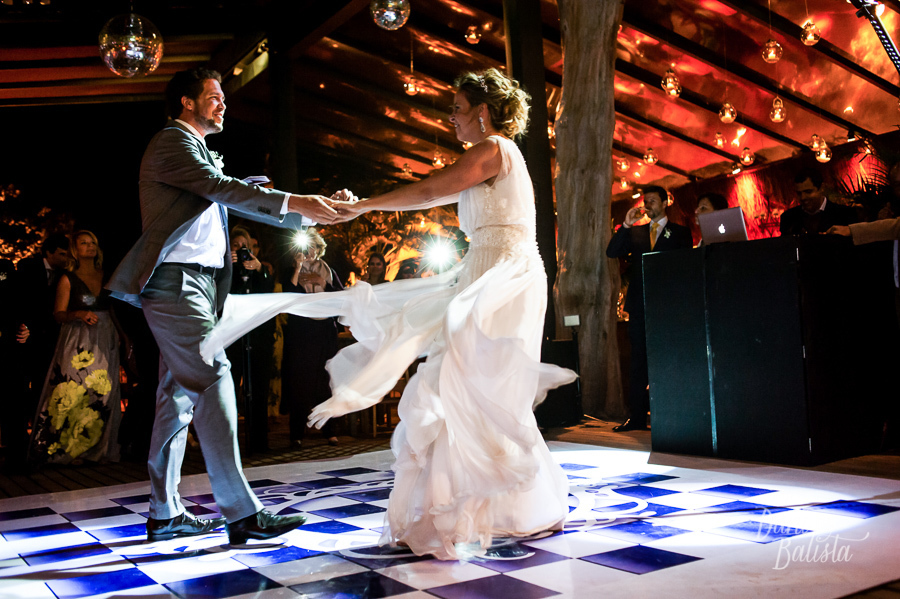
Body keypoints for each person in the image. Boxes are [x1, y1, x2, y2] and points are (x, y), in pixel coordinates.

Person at [201, 67, 577, 560]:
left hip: (503, 277)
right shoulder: (484, 158)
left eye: (458, 110)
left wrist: (363, 208)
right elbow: (433, 193)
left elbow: (425, 193)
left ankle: (508, 502)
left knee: (476, 383)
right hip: (482, 271)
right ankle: (480, 506)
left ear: (483, 113)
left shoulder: (495, 149)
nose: (452, 118)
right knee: (464, 384)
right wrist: (365, 208)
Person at [106, 67, 342, 545]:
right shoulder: (172, 142)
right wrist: (299, 200)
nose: (223, 104)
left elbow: (237, 195)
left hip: (197, 286)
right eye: (213, 96)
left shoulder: (196, 157)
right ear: (186, 103)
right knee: (213, 376)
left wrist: (310, 209)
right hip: (175, 283)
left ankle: (165, 513)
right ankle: (240, 511)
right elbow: (227, 190)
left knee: (175, 399)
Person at [28, 231, 122, 465]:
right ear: (75, 249)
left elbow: (112, 309)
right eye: (84, 243)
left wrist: (123, 336)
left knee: (104, 391)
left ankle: (97, 449)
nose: (90, 246)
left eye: (93, 243)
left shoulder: (106, 275)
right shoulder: (67, 278)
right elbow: (58, 314)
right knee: (74, 388)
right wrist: (78, 313)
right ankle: (67, 451)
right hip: (77, 335)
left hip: (105, 333)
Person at [606, 185, 693, 432]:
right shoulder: (638, 232)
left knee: (669, 359)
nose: (648, 205)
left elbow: (686, 267)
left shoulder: (679, 232)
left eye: (653, 200)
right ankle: (636, 417)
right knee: (638, 361)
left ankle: (673, 414)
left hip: (668, 306)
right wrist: (625, 225)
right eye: (646, 201)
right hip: (639, 304)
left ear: (666, 203)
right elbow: (612, 251)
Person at [7, 233, 71, 466]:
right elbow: (19, 301)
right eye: (62, 254)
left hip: (51, 339)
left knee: (45, 389)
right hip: (27, 339)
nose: (65, 258)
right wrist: (25, 327)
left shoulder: (66, 274)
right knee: (23, 389)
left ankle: (42, 441)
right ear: (49, 252)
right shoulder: (28, 267)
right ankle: (21, 446)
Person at [280, 229, 342, 448]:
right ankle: (296, 434)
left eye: (313, 247)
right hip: (302, 332)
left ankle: (330, 431)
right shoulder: (291, 269)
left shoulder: (328, 270)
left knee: (326, 382)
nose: (310, 251)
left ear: (319, 248)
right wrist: (298, 267)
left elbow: (340, 296)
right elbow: (288, 292)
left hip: (324, 331)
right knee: (300, 384)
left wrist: (321, 282)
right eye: (306, 247)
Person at [226, 225, 275, 453]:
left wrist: (259, 270)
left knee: (258, 389)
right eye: (235, 246)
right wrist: (228, 265)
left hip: (257, 340)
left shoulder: (261, 270)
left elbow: (268, 293)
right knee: (230, 390)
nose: (240, 251)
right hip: (233, 339)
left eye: (244, 247)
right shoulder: (224, 270)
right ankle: (230, 444)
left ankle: (259, 443)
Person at [780, 168, 858, 235]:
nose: (803, 197)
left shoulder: (845, 214)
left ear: (822, 188)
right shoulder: (788, 218)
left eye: (808, 192)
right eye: (799, 193)